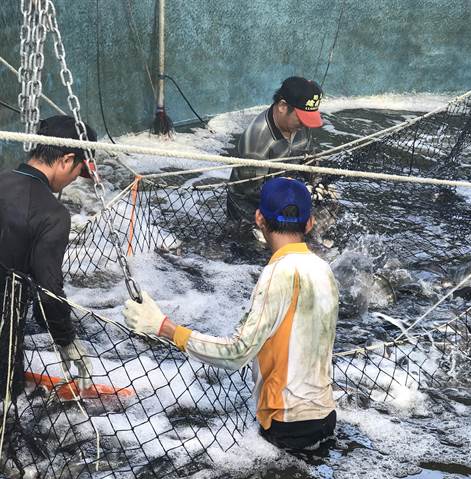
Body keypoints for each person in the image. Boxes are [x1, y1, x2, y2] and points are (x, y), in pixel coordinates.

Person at [124, 177, 339, 450]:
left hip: (287, 423)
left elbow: (237, 353)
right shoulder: (324, 270)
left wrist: (164, 327)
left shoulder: (277, 274)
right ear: (309, 224)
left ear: (259, 218)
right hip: (325, 416)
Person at [0, 115, 96, 402]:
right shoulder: (52, 214)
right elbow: (48, 291)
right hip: (4, 328)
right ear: (67, 159)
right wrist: (66, 340)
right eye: (79, 171)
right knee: (7, 401)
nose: (74, 179)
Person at [226, 76, 324, 223]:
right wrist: (297, 196)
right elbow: (252, 191)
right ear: (282, 106)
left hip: (284, 189)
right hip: (250, 206)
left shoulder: (299, 125)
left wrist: (318, 183)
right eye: (302, 118)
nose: (305, 125)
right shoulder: (257, 142)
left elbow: (308, 157)